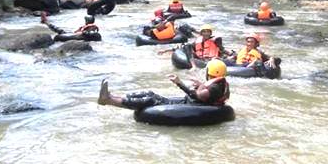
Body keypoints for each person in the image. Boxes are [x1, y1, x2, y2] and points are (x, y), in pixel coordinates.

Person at [97, 59, 230, 109]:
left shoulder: (213, 88)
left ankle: (108, 100)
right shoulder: (218, 84)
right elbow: (207, 94)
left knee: (150, 100)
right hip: (188, 103)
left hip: (191, 106)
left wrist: (180, 83)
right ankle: (112, 97)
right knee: (150, 94)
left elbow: (199, 96)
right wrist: (201, 83)